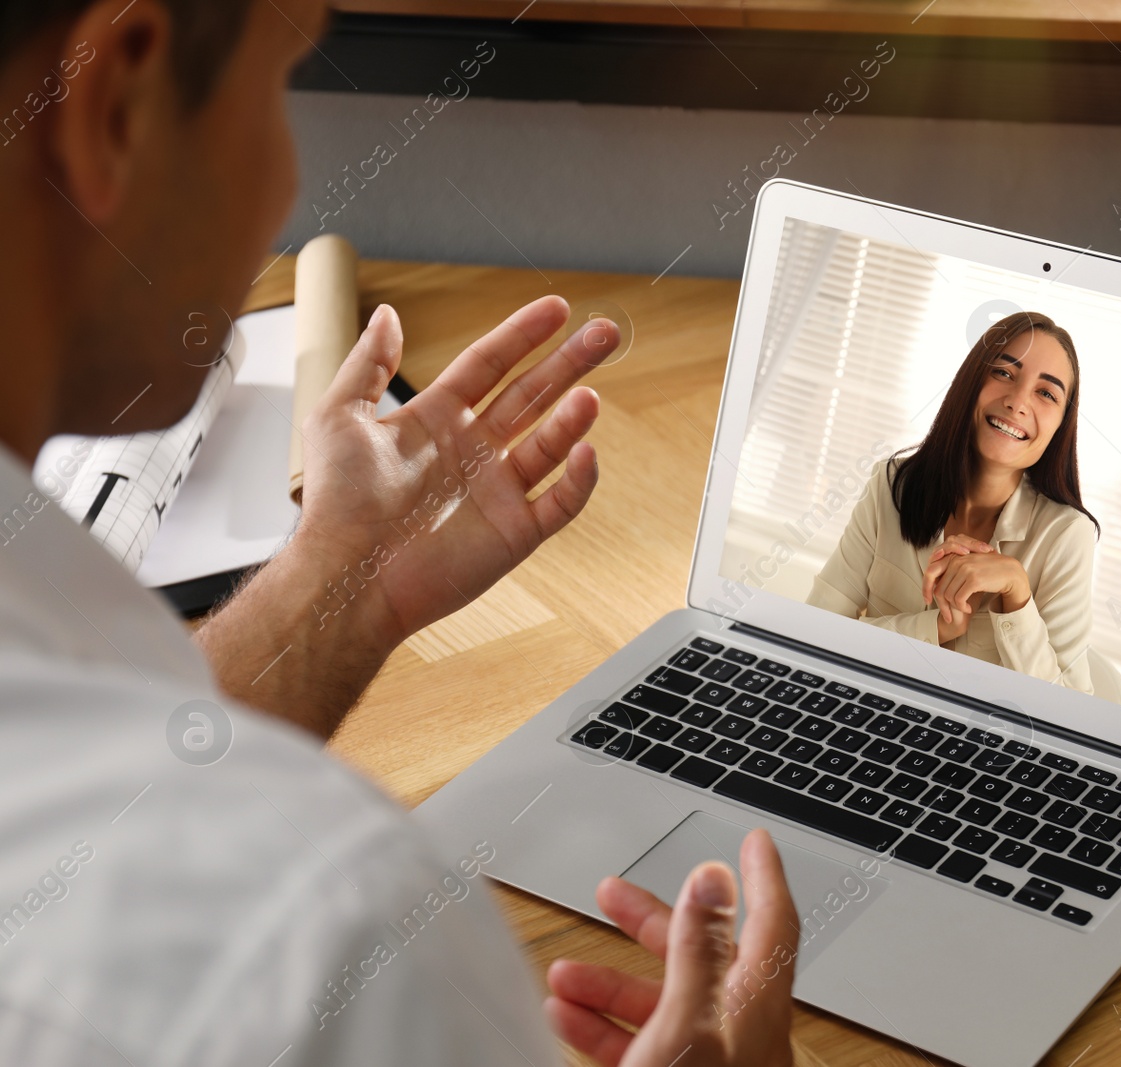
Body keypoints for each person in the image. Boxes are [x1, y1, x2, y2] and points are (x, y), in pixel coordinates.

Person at [0, 2, 798, 1065]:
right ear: (119, 103)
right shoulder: (333, 938)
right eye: (277, 87)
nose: (286, 181)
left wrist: (345, 574)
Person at [807, 311, 1100, 693]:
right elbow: (814, 633)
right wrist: (932, 629)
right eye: (1003, 373)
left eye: (1046, 393)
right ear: (970, 382)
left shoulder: (1067, 536)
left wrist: (1016, 594)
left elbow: (1071, 715)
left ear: (1062, 424)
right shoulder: (891, 485)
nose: (1017, 402)